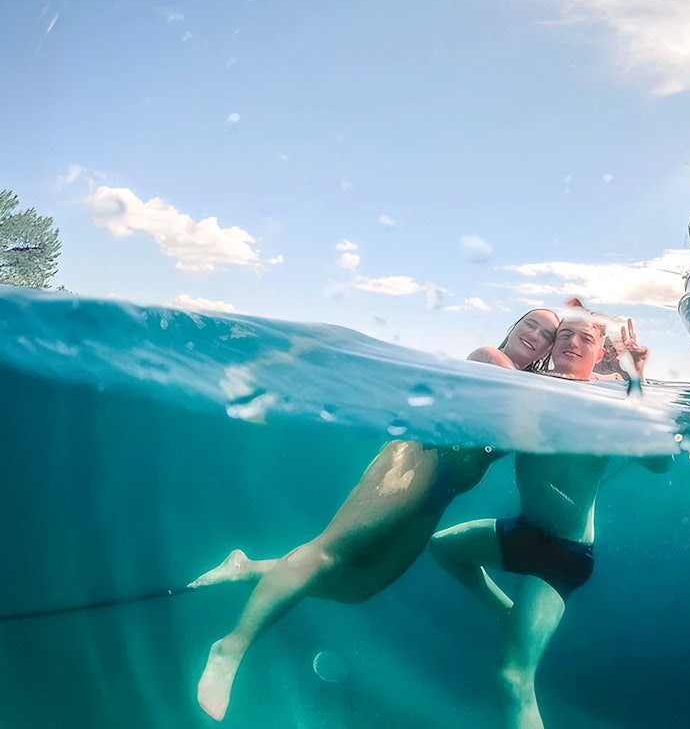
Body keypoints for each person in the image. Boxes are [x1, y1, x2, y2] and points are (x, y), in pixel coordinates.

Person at [191, 308, 560, 722]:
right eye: (531, 323)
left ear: (550, 348)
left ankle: (247, 568)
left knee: (358, 587)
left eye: (548, 334)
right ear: (514, 326)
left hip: (443, 492)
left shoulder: (535, 385)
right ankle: (230, 648)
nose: (535, 335)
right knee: (327, 554)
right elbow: (518, 399)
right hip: (415, 461)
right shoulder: (492, 359)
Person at [429, 312, 651, 729]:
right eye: (563, 335)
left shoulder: (611, 398)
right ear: (550, 348)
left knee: (513, 677)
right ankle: (512, 612)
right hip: (524, 531)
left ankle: (519, 619)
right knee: (443, 546)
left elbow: (659, 463)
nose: (571, 342)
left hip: (563, 554)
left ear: (600, 351)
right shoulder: (530, 387)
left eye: (584, 337)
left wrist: (636, 381)